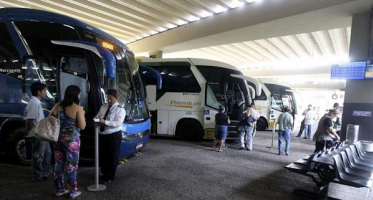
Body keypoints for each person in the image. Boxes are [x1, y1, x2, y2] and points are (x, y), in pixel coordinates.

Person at [51, 85, 86, 199]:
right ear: (76, 95)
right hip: (71, 142)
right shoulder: (77, 108)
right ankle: (73, 191)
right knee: (71, 167)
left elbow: (50, 119)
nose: (80, 96)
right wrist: (83, 115)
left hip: (57, 140)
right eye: (79, 94)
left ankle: (60, 190)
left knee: (58, 165)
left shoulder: (58, 106)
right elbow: (82, 126)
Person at [95, 89, 126, 184]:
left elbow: (118, 123)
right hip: (102, 135)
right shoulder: (103, 107)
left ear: (116, 98)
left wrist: (105, 122)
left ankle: (110, 177)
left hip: (113, 136)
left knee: (112, 157)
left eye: (111, 99)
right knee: (103, 156)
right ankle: (104, 174)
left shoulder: (120, 109)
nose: (108, 100)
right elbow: (97, 117)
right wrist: (96, 120)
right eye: (107, 98)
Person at [25, 82, 51, 182]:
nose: (45, 92)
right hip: (37, 133)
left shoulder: (37, 102)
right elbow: (30, 120)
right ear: (38, 92)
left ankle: (46, 172)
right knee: (38, 155)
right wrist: (27, 131)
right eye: (44, 91)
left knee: (47, 153)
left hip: (42, 132)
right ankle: (38, 176)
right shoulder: (34, 103)